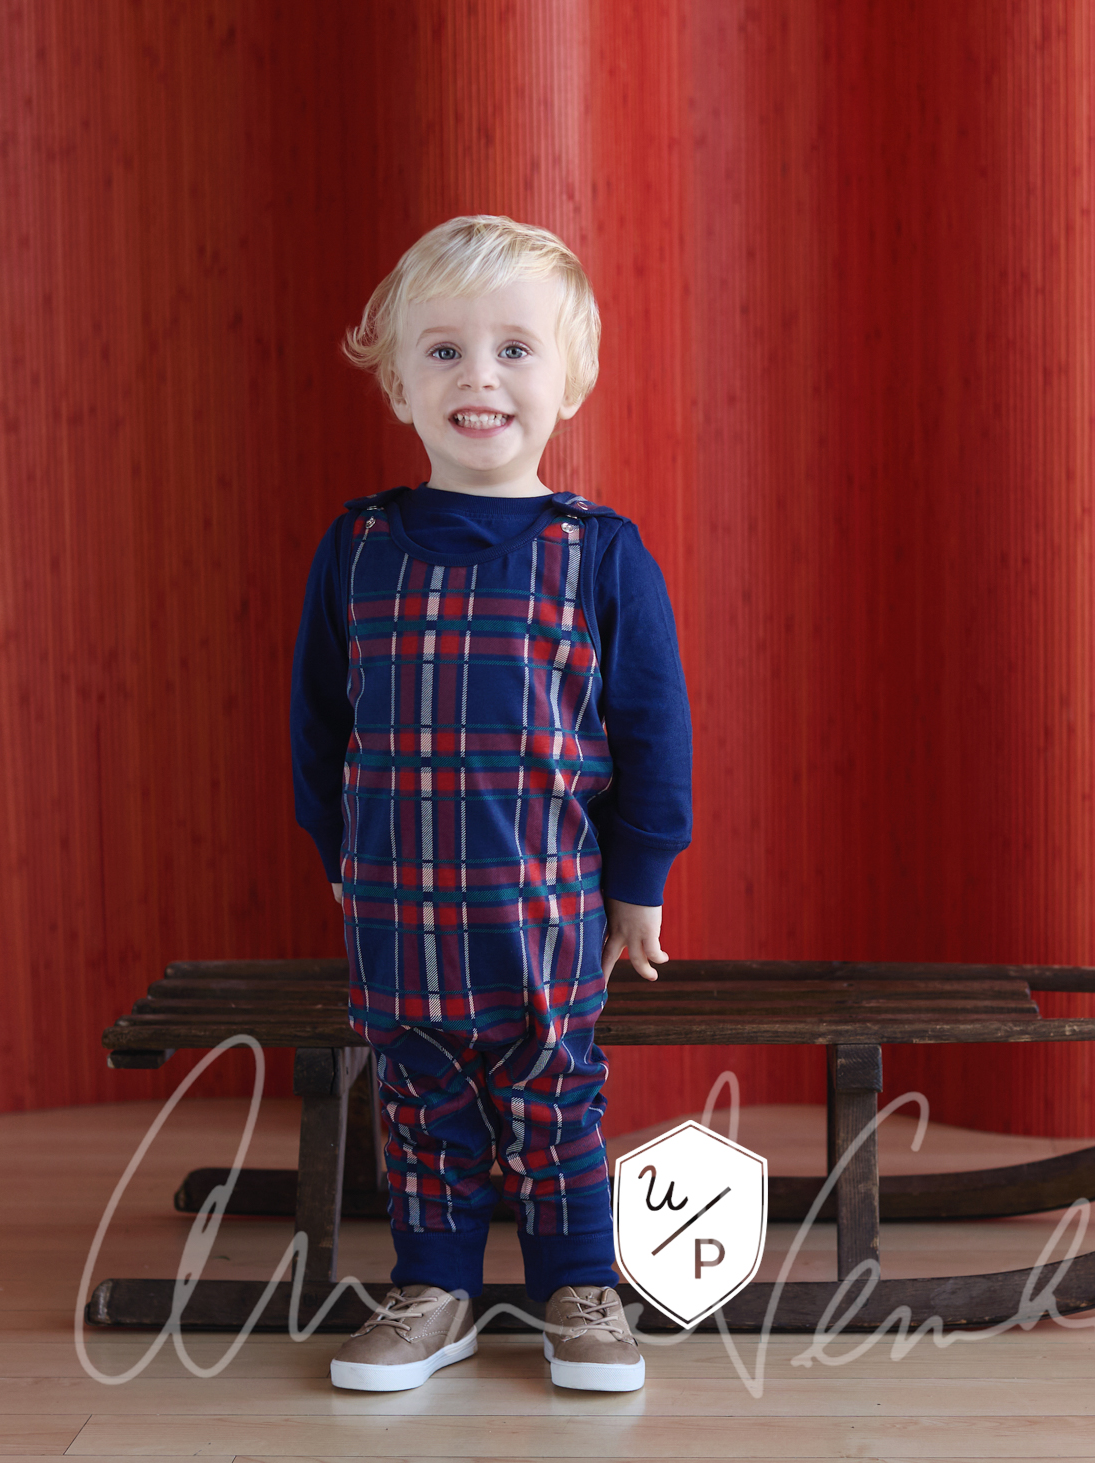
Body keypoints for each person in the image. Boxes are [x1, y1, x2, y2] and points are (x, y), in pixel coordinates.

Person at [289, 214, 692, 1393]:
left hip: (547, 904)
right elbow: (320, 718)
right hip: (395, 904)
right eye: (445, 351)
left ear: (571, 381)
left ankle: (578, 1279)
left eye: (516, 350)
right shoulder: (358, 547)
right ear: (397, 379)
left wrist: (637, 882)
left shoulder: (598, 553)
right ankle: (437, 1286)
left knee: (554, 1085)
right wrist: (332, 849)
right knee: (417, 1096)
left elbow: (652, 731)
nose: (480, 377)